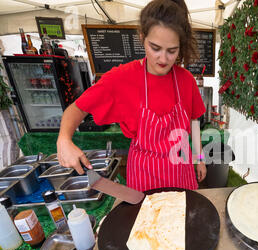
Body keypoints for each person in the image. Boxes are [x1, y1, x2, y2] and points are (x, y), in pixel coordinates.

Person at [57, 0, 206, 191]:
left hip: (181, 172)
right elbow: (76, 109)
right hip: (145, 176)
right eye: (155, 48)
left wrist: (199, 158)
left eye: (172, 51)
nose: (163, 59)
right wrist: (64, 139)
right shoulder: (121, 78)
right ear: (142, 37)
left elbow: (194, 122)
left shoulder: (186, 80)